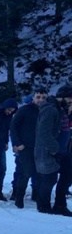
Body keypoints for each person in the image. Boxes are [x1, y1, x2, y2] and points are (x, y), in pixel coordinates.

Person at [34, 84, 72, 217]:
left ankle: (60, 205)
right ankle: (43, 206)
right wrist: (54, 148)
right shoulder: (50, 109)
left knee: (67, 178)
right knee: (49, 179)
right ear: (61, 97)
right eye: (69, 99)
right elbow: (44, 132)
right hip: (50, 151)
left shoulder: (63, 109)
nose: (71, 102)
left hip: (65, 150)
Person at [10, 87, 48, 208]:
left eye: (43, 98)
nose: (40, 100)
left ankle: (37, 195)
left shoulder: (48, 111)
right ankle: (19, 197)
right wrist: (17, 143)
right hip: (26, 147)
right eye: (38, 97)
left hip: (41, 148)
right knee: (25, 172)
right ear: (33, 98)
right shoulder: (24, 110)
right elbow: (13, 126)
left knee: (39, 173)